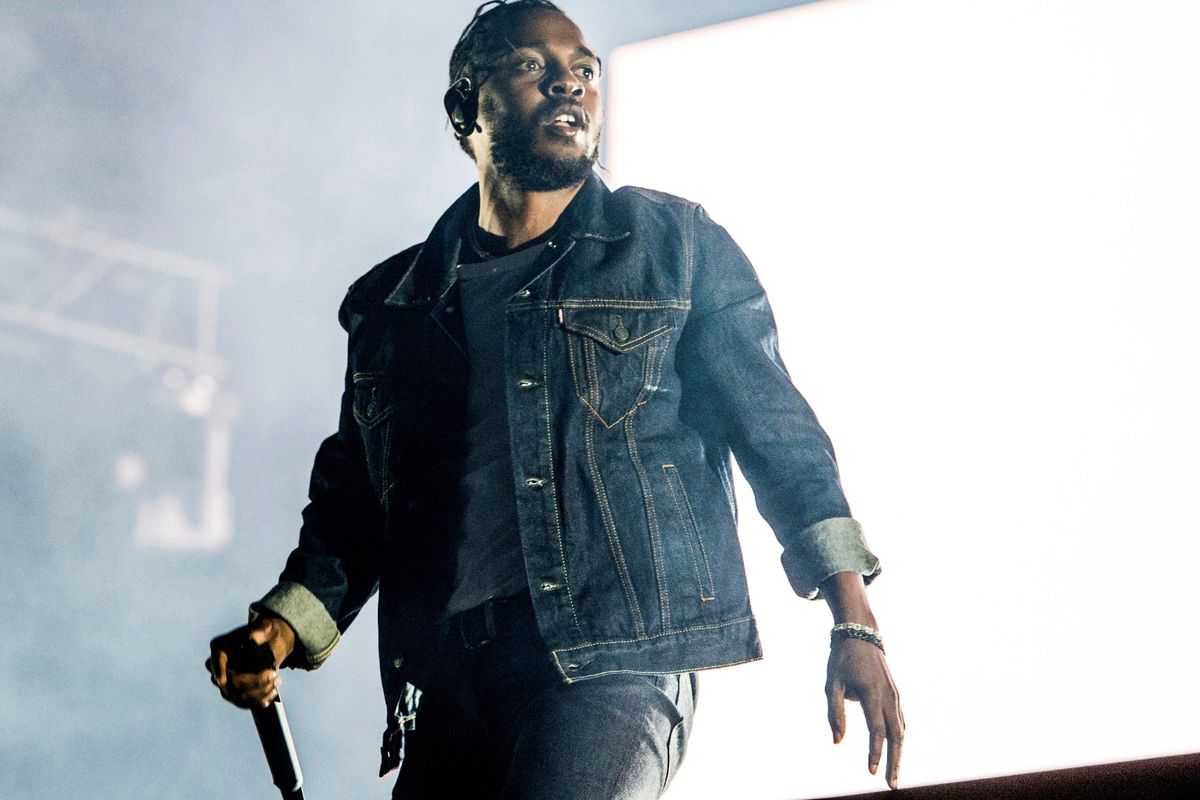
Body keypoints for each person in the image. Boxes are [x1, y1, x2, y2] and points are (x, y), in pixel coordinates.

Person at [207, 1, 904, 797]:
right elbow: (356, 511)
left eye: (585, 71)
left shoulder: (673, 248)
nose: (569, 85)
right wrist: (281, 625)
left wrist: (853, 619)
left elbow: (777, 433)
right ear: (465, 106)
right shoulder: (393, 304)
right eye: (534, 67)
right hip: (449, 679)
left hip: (612, 662)